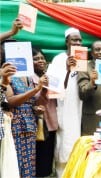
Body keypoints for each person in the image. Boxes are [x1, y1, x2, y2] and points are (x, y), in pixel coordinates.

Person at [5, 54, 48, 177]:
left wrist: (36, 109)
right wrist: (35, 90)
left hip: (30, 124)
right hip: (15, 124)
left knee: (29, 162)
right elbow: (10, 101)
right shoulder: (7, 76)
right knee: (16, 162)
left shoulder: (29, 77)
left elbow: (31, 101)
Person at [50, 27, 83, 177]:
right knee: (65, 144)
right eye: (74, 39)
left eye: (79, 40)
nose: (77, 42)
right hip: (63, 108)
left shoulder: (83, 58)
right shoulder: (59, 59)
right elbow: (53, 89)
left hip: (79, 108)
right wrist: (67, 69)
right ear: (67, 42)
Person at [31, 47, 58, 177]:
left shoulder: (50, 77)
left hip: (51, 123)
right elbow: (35, 100)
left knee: (47, 159)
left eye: (42, 58)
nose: (40, 61)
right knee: (38, 159)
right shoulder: (30, 79)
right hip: (37, 124)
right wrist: (42, 88)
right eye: (36, 59)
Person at [78, 40, 101, 135]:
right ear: (92, 53)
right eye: (97, 50)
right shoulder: (84, 68)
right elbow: (82, 94)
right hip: (92, 119)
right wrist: (92, 82)